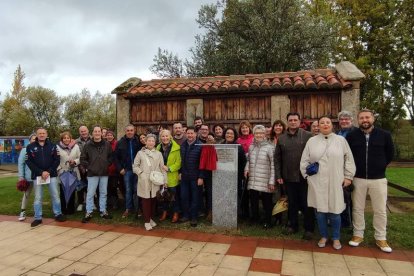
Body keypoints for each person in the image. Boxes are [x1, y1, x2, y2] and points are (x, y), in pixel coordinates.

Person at [300, 116, 356, 250]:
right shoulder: (312, 141)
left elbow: (349, 159)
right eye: (322, 123)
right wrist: (307, 176)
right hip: (317, 181)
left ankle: (336, 237)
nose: (325, 125)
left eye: (327, 122)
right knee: (320, 212)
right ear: (318, 126)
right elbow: (304, 161)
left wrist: (348, 176)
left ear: (332, 125)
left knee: (335, 211)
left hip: (335, 180)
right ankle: (324, 236)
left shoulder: (341, 140)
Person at [346, 109, 395, 253]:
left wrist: (380, 165)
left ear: (373, 118)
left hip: (378, 179)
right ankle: (357, 234)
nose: (364, 120)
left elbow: (390, 153)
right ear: (358, 120)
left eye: (367, 117)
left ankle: (380, 237)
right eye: (361, 118)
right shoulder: (351, 136)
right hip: (358, 178)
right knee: (357, 208)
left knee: (380, 210)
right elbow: (348, 156)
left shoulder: (384, 135)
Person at [275, 112, 315, 240]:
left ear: (299, 121)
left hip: (305, 177)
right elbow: (277, 159)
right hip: (288, 177)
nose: (293, 122)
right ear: (287, 121)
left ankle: (309, 229)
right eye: (290, 120)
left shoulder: (308, 136)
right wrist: (278, 175)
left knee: (306, 203)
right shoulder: (281, 138)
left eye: (295, 120)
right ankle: (293, 225)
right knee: (292, 203)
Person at [26, 127, 66, 227]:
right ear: (37, 134)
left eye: (43, 133)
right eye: (40, 133)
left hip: (51, 175)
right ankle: (38, 218)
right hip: (38, 176)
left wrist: (48, 171)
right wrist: (41, 172)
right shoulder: (30, 147)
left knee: (55, 196)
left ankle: (58, 214)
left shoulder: (53, 146)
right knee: (38, 197)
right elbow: (29, 161)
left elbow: (56, 160)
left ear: (46, 134)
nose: (42, 135)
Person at [133, 134, 167, 230]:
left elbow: (162, 167)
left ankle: (150, 218)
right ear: (146, 142)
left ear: (155, 142)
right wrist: (141, 174)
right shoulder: (140, 153)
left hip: (155, 180)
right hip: (145, 180)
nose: (151, 142)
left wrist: (165, 180)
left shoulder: (158, 154)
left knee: (153, 201)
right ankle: (147, 221)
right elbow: (135, 166)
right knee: (146, 200)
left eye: (153, 141)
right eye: (149, 141)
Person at [244, 125, 275, 228]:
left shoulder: (270, 147)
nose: (259, 135)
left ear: (264, 134)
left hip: (265, 179)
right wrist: (246, 168)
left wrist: (272, 181)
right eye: (257, 133)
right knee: (253, 200)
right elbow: (249, 160)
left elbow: (273, 165)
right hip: (253, 178)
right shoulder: (251, 146)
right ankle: (255, 218)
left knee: (267, 202)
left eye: (261, 133)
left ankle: (268, 221)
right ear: (254, 134)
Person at [80, 125, 113, 223]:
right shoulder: (88, 145)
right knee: (90, 193)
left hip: (104, 173)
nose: (97, 133)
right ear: (93, 133)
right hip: (92, 173)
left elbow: (111, 156)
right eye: (95, 131)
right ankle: (89, 212)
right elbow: (82, 158)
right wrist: (89, 166)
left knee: (103, 193)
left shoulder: (107, 144)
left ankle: (103, 211)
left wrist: (107, 164)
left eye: (99, 131)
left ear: (101, 133)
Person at [179, 126, 206, 227]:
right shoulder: (183, 145)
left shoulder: (201, 146)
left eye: (192, 133)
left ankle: (194, 217)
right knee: (184, 196)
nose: (190, 135)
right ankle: (186, 215)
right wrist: (180, 172)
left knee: (195, 198)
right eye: (188, 133)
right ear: (185, 134)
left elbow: (203, 163)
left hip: (196, 177)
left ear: (196, 134)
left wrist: (201, 177)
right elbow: (181, 161)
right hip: (185, 176)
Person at [115, 125, 142, 218]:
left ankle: (137, 209)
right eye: (128, 130)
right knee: (128, 190)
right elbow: (116, 158)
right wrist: (120, 169)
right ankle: (128, 208)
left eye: (131, 130)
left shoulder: (138, 142)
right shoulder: (120, 142)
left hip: (137, 170)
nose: (130, 132)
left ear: (134, 131)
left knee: (137, 190)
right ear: (125, 131)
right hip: (127, 170)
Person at [337, 110, 357, 229]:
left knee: (351, 198)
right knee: (343, 196)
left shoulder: (356, 133)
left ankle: (351, 223)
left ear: (351, 120)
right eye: (342, 119)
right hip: (339, 169)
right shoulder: (338, 133)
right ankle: (344, 221)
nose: (344, 121)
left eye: (346, 119)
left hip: (351, 169)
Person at [156, 129, 182, 223]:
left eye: (167, 136)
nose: (165, 138)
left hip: (171, 176)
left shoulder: (176, 147)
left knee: (173, 197)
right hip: (161, 176)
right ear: (160, 137)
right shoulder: (158, 147)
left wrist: (169, 168)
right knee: (163, 196)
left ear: (170, 137)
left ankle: (176, 213)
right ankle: (165, 212)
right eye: (163, 136)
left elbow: (178, 163)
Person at [222, 127, 247, 219]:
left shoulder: (239, 147)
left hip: (236, 176)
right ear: (224, 134)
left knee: (235, 195)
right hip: (223, 175)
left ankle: (236, 214)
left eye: (231, 134)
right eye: (227, 133)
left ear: (234, 135)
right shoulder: (220, 145)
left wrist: (241, 175)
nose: (229, 135)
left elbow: (244, 162)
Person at [57, 131, 81, 215]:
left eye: (68, 138)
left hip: (73, 171)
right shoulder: (57, 147)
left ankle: (71, 209)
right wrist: (59, 169)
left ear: (70, 139)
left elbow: (80, 157)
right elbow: (55, 160)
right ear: (62, 139)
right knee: (63, 192)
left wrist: (74, 161)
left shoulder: (76, 147)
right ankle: (63, 209)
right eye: (64, 138)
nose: (66, 139)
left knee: (72, 191)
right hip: (63, 172)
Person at [17, 133, 36, 221]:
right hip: (28, 177)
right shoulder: (24, 150)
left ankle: (37, 211)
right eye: (33, 139)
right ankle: (23, 211)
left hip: (38, 177)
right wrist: (21, 176)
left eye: (36, 139)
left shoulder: (39, 149)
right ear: (29, 140)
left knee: (38, 195)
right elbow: (21, 164)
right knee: (26, 194)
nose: (35, 140)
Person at [75, 125, 91, 211]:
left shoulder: (93, 140)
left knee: (91, 186)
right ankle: (80, 203)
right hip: (79, 167)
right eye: (82, 131)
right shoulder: (75, 142)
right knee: (80, 185)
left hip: (91, 167)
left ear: (88, 131)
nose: (84, 133)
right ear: (79, 132)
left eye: (85, 131)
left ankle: (91, 203)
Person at [106, 130, 119, 210]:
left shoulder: (117, 144)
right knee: (107, 188)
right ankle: (108, 203)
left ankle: (115, 204)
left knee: (114, 187)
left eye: (111, 135)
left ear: (113, 136)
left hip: (114, 170)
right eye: (108, 135)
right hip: (105, 170)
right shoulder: (104, 144)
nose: (109, 136)